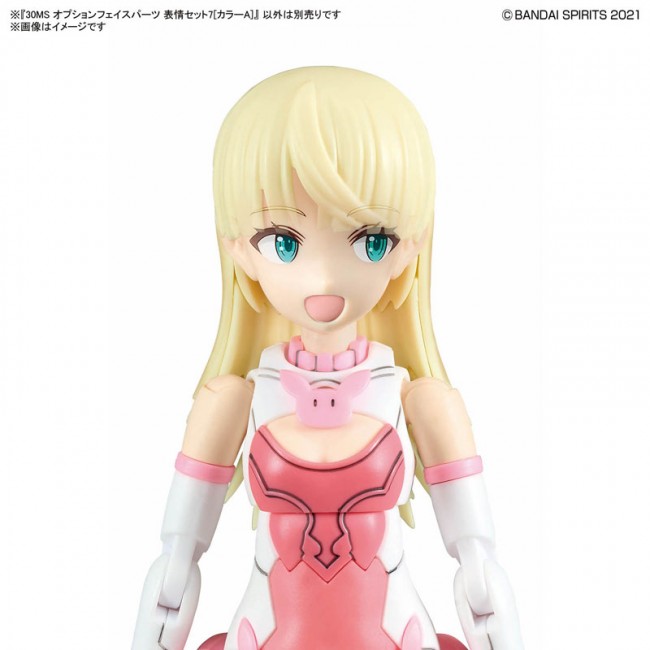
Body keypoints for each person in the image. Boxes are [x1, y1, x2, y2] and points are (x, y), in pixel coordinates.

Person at [132, 66, 524, 650]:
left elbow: (481, 572)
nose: (323, 280)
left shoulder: (421, 400)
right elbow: (174, 567)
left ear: (408, 247)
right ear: (239, 249)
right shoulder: (235, 398)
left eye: (370, 241)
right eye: (283, 242)